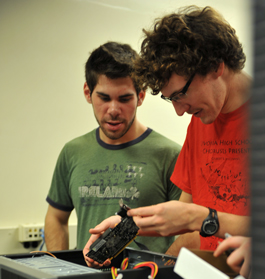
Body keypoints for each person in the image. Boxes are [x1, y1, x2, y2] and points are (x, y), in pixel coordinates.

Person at [84, 8, 251, 279]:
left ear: (217, 66)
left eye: (180, 95)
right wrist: (127, 227)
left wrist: (203, 217)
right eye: (170, 99)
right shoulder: (200, 126)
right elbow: (181, 219)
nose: (179, 110)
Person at [45, 41, 181, 253]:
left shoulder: (170, 154)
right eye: (104, 98)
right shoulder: (72, 152)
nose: (114, 110)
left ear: (141, 96)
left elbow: (189, 228)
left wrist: (163, 274)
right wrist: (56, 271)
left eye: (125, 98)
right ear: (88, 93)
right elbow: (56, 217)